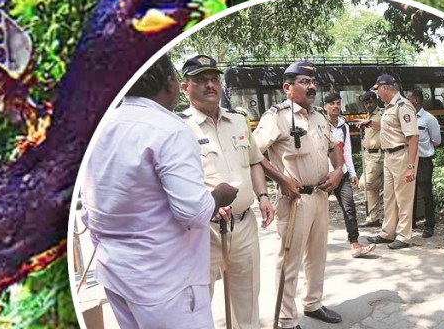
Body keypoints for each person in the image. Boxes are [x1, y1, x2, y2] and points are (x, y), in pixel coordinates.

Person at [79, 56, 238, 329]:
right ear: (172, 83)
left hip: (117, 273)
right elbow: (194, 212)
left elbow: (87, 209)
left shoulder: (102, 126)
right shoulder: (169, 129)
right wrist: (221, 194)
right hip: (166, 283)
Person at [178, 55, 278, 329]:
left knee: (247, 300)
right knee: (198, 304)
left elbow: (255, 160)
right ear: (184, 88)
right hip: (203, 232)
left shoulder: (238, 121)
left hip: (244, 224)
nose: (210, 85)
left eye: (214, 79)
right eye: (200, 80)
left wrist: (264, 196)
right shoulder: (178, 127)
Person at [254, 61, 345, 328]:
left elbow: (333, 146)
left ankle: (313, 303)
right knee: (289, 260)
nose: (311, 86)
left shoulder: (318, 116)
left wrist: (339, 169)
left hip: (319, 195)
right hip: (294, 201)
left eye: (312, 82)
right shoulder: (276, 117)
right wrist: (281, 179)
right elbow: (253, 153)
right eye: (304, 82)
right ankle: (286, 318)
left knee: (318, 255)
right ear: (287, 87)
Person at [367, 74, 419, 250]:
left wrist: (411, 166)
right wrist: (370, 124)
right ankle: (387, 232)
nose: (377, 95)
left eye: (378, 91)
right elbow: (391, 129)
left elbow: (412, 137)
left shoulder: (404, 106)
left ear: (386, 88)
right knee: (389, 196)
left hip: (402, 155)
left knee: (403, 197)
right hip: (388, 156)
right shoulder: (389, 107)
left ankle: (404, 235)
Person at [322, 91, 375, 258]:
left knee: (349, 208)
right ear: (325, 107)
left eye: (338, 103)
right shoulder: (319, 125)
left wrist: (352, 173)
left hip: (341, 173)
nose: (336, 106)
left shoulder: (344, 126)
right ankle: (310, 244)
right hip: (323, 175)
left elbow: (347, 151)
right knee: (317, 210)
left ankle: (355, 244)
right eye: (332, 103)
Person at [408, 89, 441, 238]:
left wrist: (425, 149)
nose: (406, 102)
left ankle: (429, 225)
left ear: (415, 100)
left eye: (408, 99)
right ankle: (411, 221)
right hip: (409, 161)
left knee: (426, 193)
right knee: (410, 192)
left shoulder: (429, 119)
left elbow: (436, 140)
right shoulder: (407, 117)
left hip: (424, 161)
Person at [357, 90, 384, 227]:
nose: (368, 105)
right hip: (368, 154)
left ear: (376, 100)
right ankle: (373, 218)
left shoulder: (382, 114)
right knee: (371, 189)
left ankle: (385, 183)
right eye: (366, 103)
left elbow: (385, 128)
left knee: (364, 183)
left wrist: (369, 123)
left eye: (370, 101)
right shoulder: (368, 115)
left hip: (378, 155)